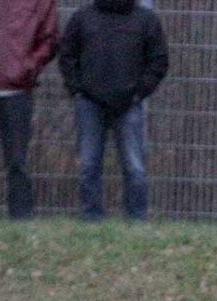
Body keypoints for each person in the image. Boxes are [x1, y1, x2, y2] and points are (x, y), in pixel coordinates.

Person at [59, 0, 169, 221]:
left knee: (134, 167)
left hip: (129, 104)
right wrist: (77, 91)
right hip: (89, 103)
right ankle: (91, 218)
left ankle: (137, 219)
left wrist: (139, 93)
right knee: (89, 165)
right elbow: (67, 55)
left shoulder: (146, 20)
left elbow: (158, 60)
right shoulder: (82, 17)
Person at [0, 0, 59, 220]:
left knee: (17, 161)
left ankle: (21, 221)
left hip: (18, 91)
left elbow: (49, 38)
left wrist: (29, 66)